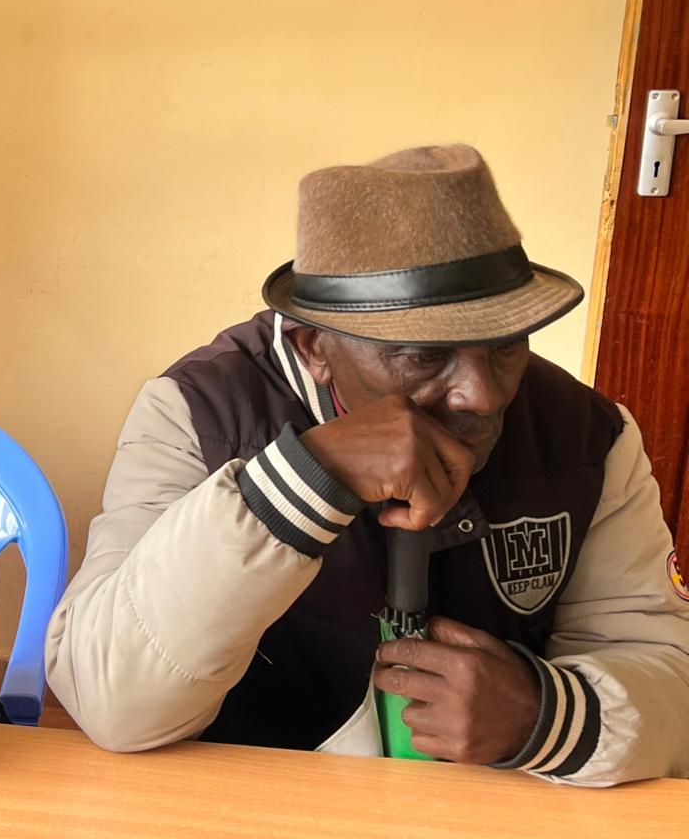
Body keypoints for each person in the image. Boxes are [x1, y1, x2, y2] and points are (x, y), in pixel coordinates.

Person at [45, 144, 689, 785]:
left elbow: (668, 676)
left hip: (491, 810)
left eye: (505, 345)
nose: (484, 396)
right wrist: (303, 479)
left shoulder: (590, 437)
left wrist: (544, 717)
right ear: (313, 347)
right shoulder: (197, 412)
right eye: (422, 355)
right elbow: (111, 703)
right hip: (252, 804)